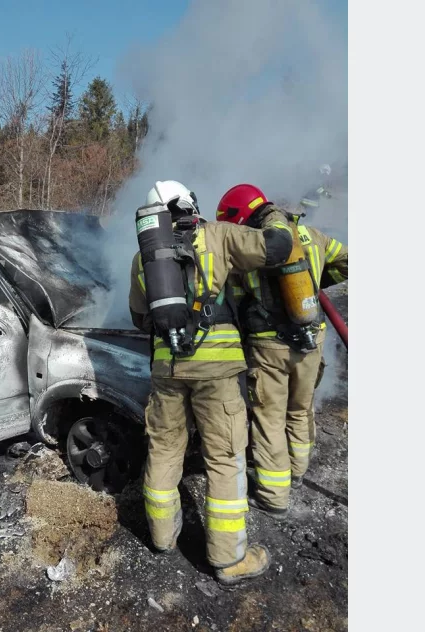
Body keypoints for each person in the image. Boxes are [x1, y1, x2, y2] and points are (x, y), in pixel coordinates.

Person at [129, 180, 293, 585]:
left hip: (166, 370)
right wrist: (271, 215)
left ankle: (163, 538)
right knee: (224, 457)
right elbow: (277, 249)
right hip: (217, 371)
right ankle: (228, 558)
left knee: (164, 451)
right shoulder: (219, 235)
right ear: (190, 205)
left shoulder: (143, 258)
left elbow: (140, 318)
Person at [217, 183, 348, 517]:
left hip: (269, 346)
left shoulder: (251, 246)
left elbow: (233, 298)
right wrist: (317, 282)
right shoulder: (311, 236)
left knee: (269, 419)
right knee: (301, 409)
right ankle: (298, 473)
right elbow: (347, 261)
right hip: (312, 338)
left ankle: (273, 496)